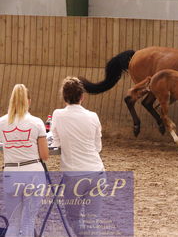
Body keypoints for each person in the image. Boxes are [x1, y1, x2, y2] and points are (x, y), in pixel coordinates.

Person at [51, 76, 104, 237]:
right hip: (97, 172)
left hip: (74, 175)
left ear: (64, 97)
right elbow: (98, 147)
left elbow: (56, 142)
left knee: (73, 218)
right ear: (82, 97)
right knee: (92, 220)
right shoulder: (93, 116)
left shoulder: (58, 114)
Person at [0, 84, 49, 237]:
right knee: (28, 221)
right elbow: (44, 155)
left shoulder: (1, 122)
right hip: (33, 173)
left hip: (11, 173)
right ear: (28, 101)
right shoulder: (36, 122)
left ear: (11, 101)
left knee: (13, 222)